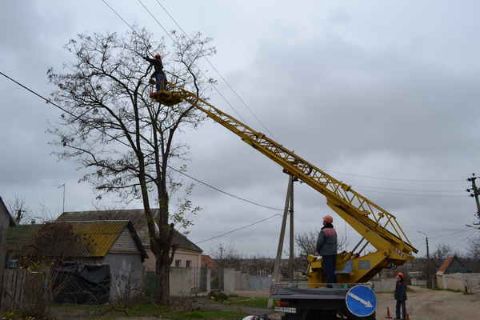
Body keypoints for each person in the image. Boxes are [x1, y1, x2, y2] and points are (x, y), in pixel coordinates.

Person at [316, 215, 337, 285]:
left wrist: (318, 250)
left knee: (327, 269)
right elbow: (335, 242)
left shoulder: (323, 231)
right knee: (332, 269)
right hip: (333, 253)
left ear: (325, 222)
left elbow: (319, 242)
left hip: (326, 253)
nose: (323, 221)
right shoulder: (334, 231)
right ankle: (334, 283)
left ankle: (329, 285)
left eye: (324, 220)